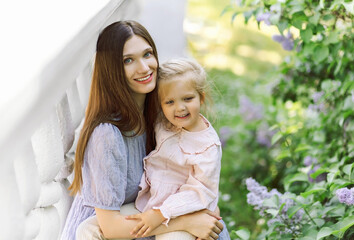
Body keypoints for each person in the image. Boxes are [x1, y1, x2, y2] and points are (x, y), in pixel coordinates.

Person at [60, 20, 230, 240]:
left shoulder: (162, 115)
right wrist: (186, 221)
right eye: (128, 60)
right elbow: (111, 230)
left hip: (150, 216)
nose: (144, 67)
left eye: (148, 54)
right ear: (112, 70)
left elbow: (201, 180)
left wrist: (206, 212)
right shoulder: (107, 135)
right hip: (119, 227)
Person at [126, 58, 223, 240]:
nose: (179, 108)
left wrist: (161, 213)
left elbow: (200, 192)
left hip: (184, 214)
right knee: (92, 228)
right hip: (149, 204)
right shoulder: (164, 122)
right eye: (169, 102)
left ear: (201, 97)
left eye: (188, 98)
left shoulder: (208, 147)